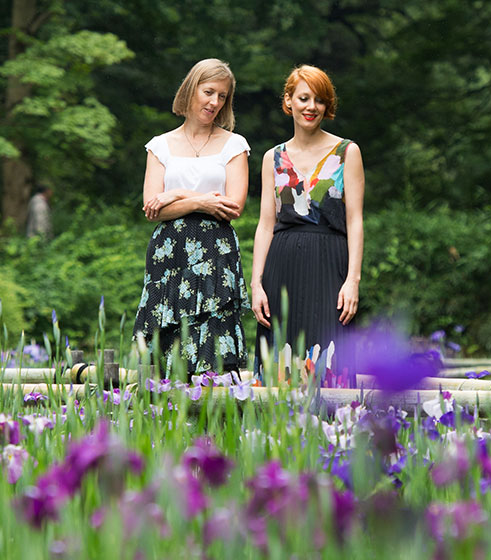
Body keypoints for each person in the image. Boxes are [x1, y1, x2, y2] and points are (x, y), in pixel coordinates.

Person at [132, 58, 251, 375]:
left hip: (216, 252)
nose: (214, 102)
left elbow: (233, 206)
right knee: (168, 346)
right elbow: (152, 208)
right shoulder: (160, 146)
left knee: (212, 343)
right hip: (170, 254)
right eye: (209, 92)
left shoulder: (234, 144)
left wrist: (177, 194)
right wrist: (201, 201)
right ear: (191, 89)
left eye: (222, 96)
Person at [251, 65, 365, 385]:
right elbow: (264, 225)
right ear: (289, 101)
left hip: (330, 268)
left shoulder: (347, 152)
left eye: (319, 100)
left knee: (331, 366)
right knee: (279, 369)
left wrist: (352, 280)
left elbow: (355, 220)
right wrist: (256, 283)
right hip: (281, 270)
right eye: (303, 98)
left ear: (327, 106)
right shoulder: (272, 158)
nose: (310, 106)